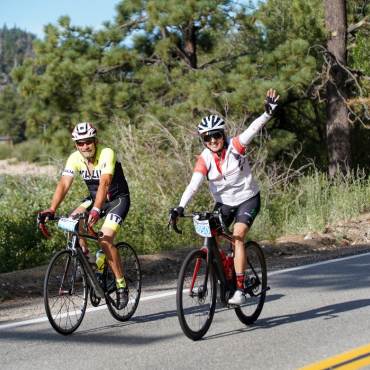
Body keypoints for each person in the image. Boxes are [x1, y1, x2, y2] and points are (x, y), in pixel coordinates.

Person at [170, 89, 279, 305]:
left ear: (223, 134)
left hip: (248, 199)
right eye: (207, 138)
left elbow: (253, 129)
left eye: (216, 135)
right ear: (203, 140)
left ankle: (239, 288)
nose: (213, 140)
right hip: (225, 204)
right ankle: (225, 272)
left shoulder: (236, 146)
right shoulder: (204, 159)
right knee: (211, 237)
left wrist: (267, 113)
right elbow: (193, 185)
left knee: (237, 236)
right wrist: (179, 207)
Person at [39, 122, 130, 309]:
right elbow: (64, 184)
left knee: (105, 240)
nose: (85, 146)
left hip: (116, 200)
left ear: (95, 141)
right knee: (73, 220)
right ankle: (92, 264)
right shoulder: (74, 158)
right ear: (75, 145)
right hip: (93, 198)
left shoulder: (106, 153)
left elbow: (104, 183)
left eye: (88, 142)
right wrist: (52, 209)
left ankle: (121, 285)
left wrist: (96, 210)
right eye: (80, 143)